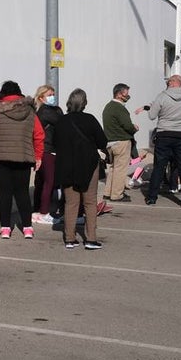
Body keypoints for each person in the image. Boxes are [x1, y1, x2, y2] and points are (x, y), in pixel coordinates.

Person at [0, 80, 45, 239]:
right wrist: (38, 156)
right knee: (22, 192)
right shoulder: (30, 110)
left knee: (4, 193)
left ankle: (5, 228)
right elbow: (39, 135)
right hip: (23, 156)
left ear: (2, 93)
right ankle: (27, 227)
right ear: (19, 93)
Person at [54, 88, 108, 250]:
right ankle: (91, 239)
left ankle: (70, 239)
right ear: (84, 103)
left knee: (71, 203)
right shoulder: (90, 119)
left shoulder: (61, 121)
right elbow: (102, 142)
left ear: (69, 103)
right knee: (90, 202)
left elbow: (55, 143)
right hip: (88, 165)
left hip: (66, 165)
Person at [140, 75, 181, 207]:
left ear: (171, 83)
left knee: (159, 167)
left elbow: (152, 115)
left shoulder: (162, 96)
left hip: (164, 134)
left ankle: (152, 198)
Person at [32, 84, 64, 224]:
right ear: (41, 98)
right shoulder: (45, 111)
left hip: (44, 149)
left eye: (53, 94)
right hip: (47, 149)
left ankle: (37, 209)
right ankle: (44, 212)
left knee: (41, 181)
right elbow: (62, 121)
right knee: (49, 182)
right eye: (49, 95)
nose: (52, 97)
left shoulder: (46, 110)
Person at [102, 83, 137, 202]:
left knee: (113, 168)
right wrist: (134, 128)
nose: (128, 96)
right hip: (121, 142)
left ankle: (108, 192)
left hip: (111, 142)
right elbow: (127, 125)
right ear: (119, 94)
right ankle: (117, 194)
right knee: (120, 170)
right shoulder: (119, 108)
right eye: (126, 93)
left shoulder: (108, 107)